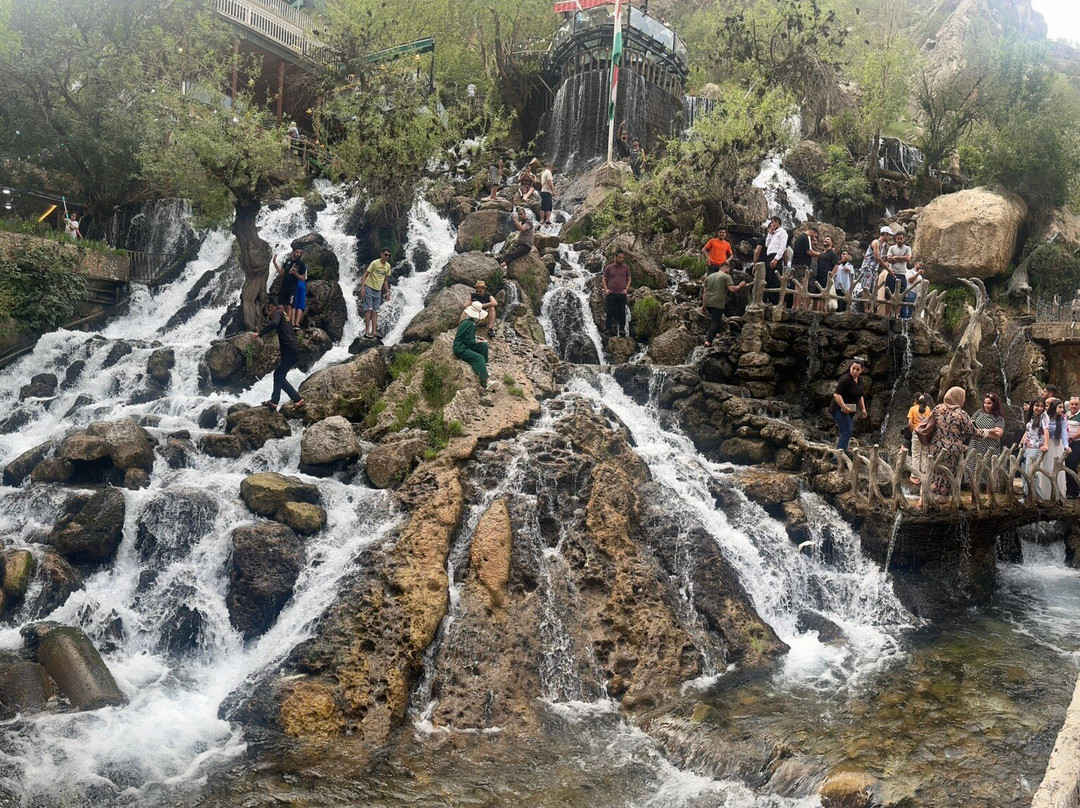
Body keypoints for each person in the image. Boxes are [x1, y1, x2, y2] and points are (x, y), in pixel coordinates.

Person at [926, 386, 974, 506]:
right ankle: (942, 502)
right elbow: (972, 432)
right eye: (962, 397)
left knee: (935, 472)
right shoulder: (961, 414)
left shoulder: (938, 408)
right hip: (952, 450)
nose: (964, 400)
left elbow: (930, 423)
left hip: (935, 448)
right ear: (958, 397)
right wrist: (987, 433)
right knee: (948, 475)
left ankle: (928, 499)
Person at [253, 302, 304, 411]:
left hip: (288, 348)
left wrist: (260, 334)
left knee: (279, 376)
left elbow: (274, 324)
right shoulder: (285, 315)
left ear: (271, 307)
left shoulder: (277, 313)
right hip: (293, 347)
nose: (270, 314)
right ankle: (274, 402)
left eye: (269, 311)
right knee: (279, 374)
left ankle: (297, 399)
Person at [966, 392, 1005, 493]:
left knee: (988, 471)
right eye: (985, 403)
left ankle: (989, 495)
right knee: (974, 469)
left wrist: (986, 433)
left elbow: (999, 433)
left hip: (990, 448)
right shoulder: (979, 412)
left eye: (989, 403)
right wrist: (979, 431)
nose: (986, 405)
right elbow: (970, 424)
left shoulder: (999, 418)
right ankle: (974, 494)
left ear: (994, 404)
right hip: (975, 445)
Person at [453, 301, 492, 404]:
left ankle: (483, 369)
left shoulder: (467, 322)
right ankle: (487, 381)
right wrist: (477, 340)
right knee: (479, 357)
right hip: (461, 348)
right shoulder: (471, 325)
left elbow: (467, 337)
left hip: (463, 345)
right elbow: (468, 341)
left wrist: (476, 338)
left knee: (483, 346)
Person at [701, 264, 747, 347]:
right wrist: (741, 285)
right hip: (717, 302)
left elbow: (705, 292)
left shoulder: (709, 276)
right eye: (728, 270)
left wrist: (704, 305)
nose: (729, 272)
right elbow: (732, 289)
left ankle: (717, 333)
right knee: (715, 321)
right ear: (725, 269)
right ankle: (708, 341)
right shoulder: (726, 276)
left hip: (708, 301)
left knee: (716, 318)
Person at [830, 359, 867, 452]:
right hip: (838, 408)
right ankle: (837, 458)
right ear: (850, 367)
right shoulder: (845, 379)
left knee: (846, 431)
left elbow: (860, 395)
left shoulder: (860, 380)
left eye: (857, 370)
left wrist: (863, 409)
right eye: (853, 368)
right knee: (847, 432)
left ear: (862, 370)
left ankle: (841, 452)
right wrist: (843, 407)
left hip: (850, 409)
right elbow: (836, 395)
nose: (854, 371)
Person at [1039, 397, 1070, 499]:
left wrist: (1066, 446)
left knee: (1055, 468)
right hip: (1046, 445)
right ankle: (1043, 494)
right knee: (1044, 468)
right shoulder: (1045, 417)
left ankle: (1056, 495)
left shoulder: (1062, 418)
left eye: (1062, 407)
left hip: (1057, 445)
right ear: (1054, 407)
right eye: (1060, 407)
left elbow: (1064, 433)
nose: (1062, 409)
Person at [360, 249, 393, 339]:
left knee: (375, 312)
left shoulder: (388, 266)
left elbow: (385, 280)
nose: (387, 257)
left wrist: (387, 292)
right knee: (368, 310)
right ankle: (367, 331)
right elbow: (365, 275)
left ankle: (374, 332)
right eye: (386, 255)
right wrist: (362, 287)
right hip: (369, 287)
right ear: (381, 254)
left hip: (378, 290)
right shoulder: (375, 263)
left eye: (389, 255)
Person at [860, 227, 891, 313]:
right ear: (885, 234)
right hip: (868, 267)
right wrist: (888, 269)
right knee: (866, 287)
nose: (890, 238)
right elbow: (877, 257)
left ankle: (871, 308)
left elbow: (880, 257)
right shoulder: (876, 242)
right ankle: (866, 308)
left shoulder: (883, 246)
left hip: (874, 268)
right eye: (889, 235)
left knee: (872, 288)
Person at [881, 231, 911, 316]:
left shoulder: (907, 248)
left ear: (904, 239)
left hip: (902, 274)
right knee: (887, 296)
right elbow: (889, 259)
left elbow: (908, 258)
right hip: (891, 273)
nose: (899, 240)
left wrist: (895, 257)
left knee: (900, 296)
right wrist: (902, 258)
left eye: (901, 238)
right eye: (898, 239)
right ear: (895, 239)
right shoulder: (892, 248)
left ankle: (896, 315)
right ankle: (886, 314)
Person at [273, 247, 306, 324]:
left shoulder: (301, 264)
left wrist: (295, 273)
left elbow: (303, 278)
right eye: (297, 252)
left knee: (289, 306)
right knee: (281, 306)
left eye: (300, 253)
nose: (298, 254)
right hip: (284, 286)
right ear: (293, 252)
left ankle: (287, 324)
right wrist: (274, 263)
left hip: (292, 287)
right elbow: (281, 273)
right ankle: (284, 321)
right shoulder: (288, 261)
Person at [603, 250, 632, 337]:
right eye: (620, 257)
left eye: (623, 257)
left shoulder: (626, 268)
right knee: (610, 311)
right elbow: (604, 278)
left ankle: (622, 330)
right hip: (611, 293)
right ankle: (608, 329)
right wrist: (606, 289)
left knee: (622, 312)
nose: (622, 259)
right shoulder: (609, 268)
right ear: (615, 257)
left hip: (622, 293)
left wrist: (626, 289)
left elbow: (629, 279)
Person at [1021, 397, 1046, 496]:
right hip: (1027, 447)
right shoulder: (1032, 416)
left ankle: (1039, 498)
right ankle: (1027, 496)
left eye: (1041, 406)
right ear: (1032, 406)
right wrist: (1021, 443)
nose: (1039, 408)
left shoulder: (1044, 417)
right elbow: (1028, 432)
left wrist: (1046, 445)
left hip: (1035, 448)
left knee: (1031, 473)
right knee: (1025, 472)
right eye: (1037, 405)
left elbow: (1046, 431)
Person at [790, 226, 820, 309]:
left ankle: (794, 305)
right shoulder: (806, 237)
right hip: (801, 264)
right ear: (813, 232)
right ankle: (797, 306)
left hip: (796, 263)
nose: (815, 238)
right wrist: (819, 254)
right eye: (816, 236)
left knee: (797, 284)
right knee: (800, 285)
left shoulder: (800, 237)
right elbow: (809, 252)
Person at [907, 393, 933, 485]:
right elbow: (930, 422)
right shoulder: (928, 409)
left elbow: (910, 423)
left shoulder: (912, 409)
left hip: (916, 433)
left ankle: (914, 476)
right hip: (925, 434)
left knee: (916, 454)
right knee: (924, 453)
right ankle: (923, 472)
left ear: (916, 400)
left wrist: (913, 431)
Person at [763, 216, 788, 306]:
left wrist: (776, 259)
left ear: (777, 222)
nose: (771, 224)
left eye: (773, 222)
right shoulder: (773, 233)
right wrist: (770, 233)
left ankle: (776, 304)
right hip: (769, 256)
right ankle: (768, 302)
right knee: (768, 280)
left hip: (775, 257)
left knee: (775, 281)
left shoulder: (782, 232)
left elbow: (782, 247)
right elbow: (766, 244)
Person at [814, 237, 837, 313]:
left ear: (831, 243)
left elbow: (836, 266)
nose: (825, 240)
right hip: (818, 277)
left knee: (824, 296)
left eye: (828, 239)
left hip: (826, 277)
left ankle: (824, 312)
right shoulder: (821, 254)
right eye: (824, 239)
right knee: (816, 296)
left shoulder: (832, 253)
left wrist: (831, 276)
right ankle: (815, 312)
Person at [1066, 395, 1080, 497]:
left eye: (1076, 404)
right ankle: (1069, 489)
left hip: (1076, 443)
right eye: (1072, 404)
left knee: (1071, 466)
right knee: (1066, 466)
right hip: (1066, 444)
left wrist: (1071, 438)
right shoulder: (1066, 414)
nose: (1074, 406)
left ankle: (1074, 492)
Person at [290, 256, 308, 327]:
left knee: (294, 305)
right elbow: (305, 278)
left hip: (296, 285)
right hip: (302, 286)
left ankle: (292, 323)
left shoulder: (295, 265)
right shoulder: (305, 267)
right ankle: (297, 323)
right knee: (300, 305)